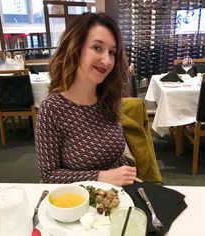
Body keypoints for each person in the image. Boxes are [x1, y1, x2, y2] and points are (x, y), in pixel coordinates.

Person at [35, 12, 139, 186]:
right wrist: (99, 177)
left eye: (112, 52)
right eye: (97, 48)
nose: (106, 60)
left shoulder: (106, 98)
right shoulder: (52, 109)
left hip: (118, 195)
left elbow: (113, 156)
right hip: (80, 202)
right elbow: (49, 175)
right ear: (76, 49)